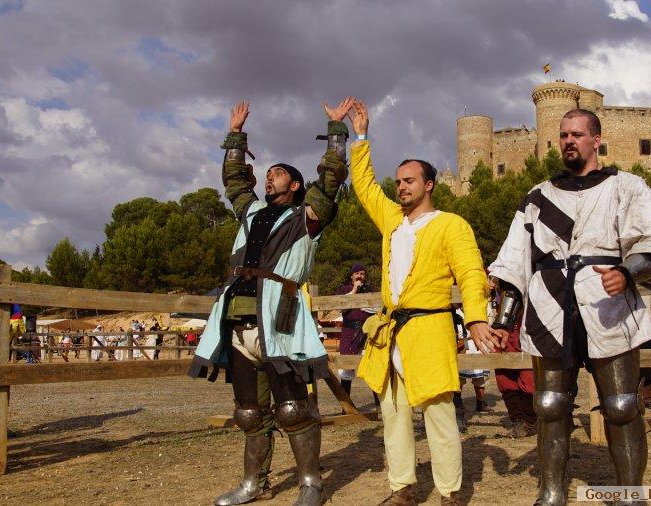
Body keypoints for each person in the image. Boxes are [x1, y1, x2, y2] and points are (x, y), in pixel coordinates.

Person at [488, 107, 651, 505]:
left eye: (576, 134)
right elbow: (514, 259)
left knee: (621, 405)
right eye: (563, 135)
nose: (568, 141)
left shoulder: (626, 187)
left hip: (605, 302)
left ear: (596, 140)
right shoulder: (538, 197)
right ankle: (552, 493)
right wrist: (504, 319)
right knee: (549, 405)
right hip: (549, 303)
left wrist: (628, 272)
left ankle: (630, 494)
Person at [188, 98, 352, 506]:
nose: (270, 177)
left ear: (295, 186)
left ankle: (311, 485)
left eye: (278, 173)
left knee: (294, 408)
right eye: (268, 173)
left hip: (280, 322)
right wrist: (236, 137)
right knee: (249, 412)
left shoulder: (306, 218)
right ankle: (252, 484)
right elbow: (234, 184)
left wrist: (335, 132)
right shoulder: (251, 213)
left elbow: (330, 181)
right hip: (239, 322)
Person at [348, 99, 502, 506]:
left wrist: (475, 319)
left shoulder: (451, 225)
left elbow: (471, 273)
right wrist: (360, 137)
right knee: (393, 413)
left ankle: (449, 491)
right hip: (389, 330)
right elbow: (363, 186)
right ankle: (403, 486)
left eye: (410, 181)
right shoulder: (392, 220)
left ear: (429, 184)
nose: (401, 187)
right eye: (399, 181)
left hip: (431, 328)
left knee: (439, 414)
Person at [335, 263, 379, 406]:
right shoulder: (344, 290)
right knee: (347, 368)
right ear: (352, 275)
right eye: (358, 273)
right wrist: (354, 291)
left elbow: (377, 308)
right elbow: (340, 308)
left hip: (367, 332)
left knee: (373, 366)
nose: (360, 276)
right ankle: (346, 406)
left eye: (363, 274)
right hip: (349, 332)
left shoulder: (369, 290)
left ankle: (379, 403)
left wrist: (366, 304)